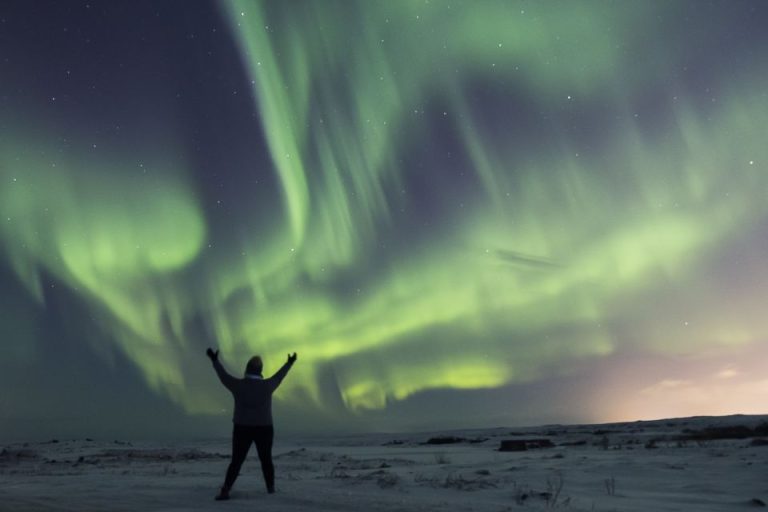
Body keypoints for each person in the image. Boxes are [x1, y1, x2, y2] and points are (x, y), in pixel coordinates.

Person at [206, 347, 297, 500]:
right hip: (265, 428)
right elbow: (280, 376)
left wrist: (215, 360)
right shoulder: (268, 386)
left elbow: (223, 376)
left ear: (247, 368)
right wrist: (289, 363)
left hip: (242, 428)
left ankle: (226, 489)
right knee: (266, 460)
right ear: (260, 370)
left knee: (237, 460)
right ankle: (271, 489)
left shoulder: (238, 385)